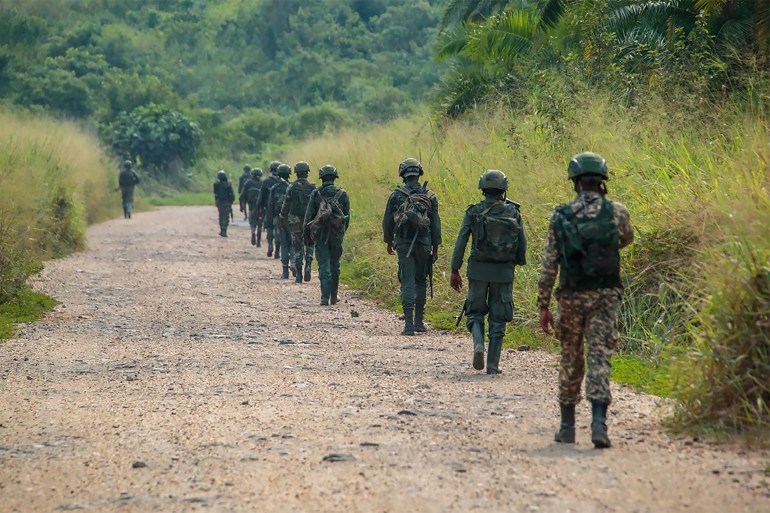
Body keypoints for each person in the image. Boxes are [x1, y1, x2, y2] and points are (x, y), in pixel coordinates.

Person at [538, 152, 633, 449]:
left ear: (575, 182)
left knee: (570, 357)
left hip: (571, 297)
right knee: (599, 356)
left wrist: (543, 303)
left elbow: (549, 263)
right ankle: (598, 424)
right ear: (602, 181)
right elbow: (625, 239)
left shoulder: (561, 215)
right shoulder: (617, 212)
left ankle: (567, 427)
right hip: (605, 296)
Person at [450, 169, 527, 374]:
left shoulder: (473, 212)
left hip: (478, 271)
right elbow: (522, 245)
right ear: (503, 189)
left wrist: (454, 269)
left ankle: (478, 345)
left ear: (483, 188)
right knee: (498, 317)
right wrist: (516, 263)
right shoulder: (513, 213)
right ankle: (493, 365)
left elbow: (461, 241)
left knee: (474, 312)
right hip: (503, 272)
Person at [382, 158, 442, 336]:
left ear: (403, 174)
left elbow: (387, 222)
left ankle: (408, 324)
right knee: (421, 280)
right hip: (424, 244)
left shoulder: (396, 195)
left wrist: (389, 241)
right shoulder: (430, 196)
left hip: (403, 243)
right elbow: (436, 225)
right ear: (419, 174)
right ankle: (419, 322)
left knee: (407, 280)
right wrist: (436, 248)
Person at [303, 165, 350, 306]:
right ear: (335, 178)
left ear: (321, 178)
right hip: (337, 235)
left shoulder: (316, 194)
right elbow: (347, 217)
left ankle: (324, 298)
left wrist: (307, 236)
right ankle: (334, 296)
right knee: (335, 264)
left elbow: (309, 216)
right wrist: (341, 233)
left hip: (320, 234)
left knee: (324, 265)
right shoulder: (342, 194)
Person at [279, 161, 316, 283]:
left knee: (297, 246)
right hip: (310, 221)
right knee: (310, 244)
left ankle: (299, 274)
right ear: (307, 172)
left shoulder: (291, 187)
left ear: (296, 173)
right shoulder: (313, 188)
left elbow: (286, 204)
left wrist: (282, 216)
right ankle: (309, 264)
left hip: (295, 221)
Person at [267, 164, 293, 278]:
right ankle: (293, 263)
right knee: (293, 242)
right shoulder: (293, 186)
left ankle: (285, 271)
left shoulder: (274, 188)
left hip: (279, 218)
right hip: (292, 219)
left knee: (284, 243)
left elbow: (270, 206)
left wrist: (270, 221)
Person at [257, 161, 282, 257]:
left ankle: (270, 245)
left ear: (271, 170)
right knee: (279, 230)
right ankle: (277, 251)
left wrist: (258, 209)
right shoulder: (284, 183)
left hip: (268, 210)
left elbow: (260, 197)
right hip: (280, 210)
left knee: (269, 229)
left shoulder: (266, 182)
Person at [241, 167, 264, 247]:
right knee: (260, 224)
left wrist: (242, 206)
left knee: (252, 222)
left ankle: (253, 232)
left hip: (251, 207)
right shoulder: (262, 183)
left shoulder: (248, 183)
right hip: (261, 208)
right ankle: (258, 241)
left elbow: (243, 195)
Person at [213, 169, 235, 237]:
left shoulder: (216, 184)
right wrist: (231, 201)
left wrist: (216, 201)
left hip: (220, 202)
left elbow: (215, 194)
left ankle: (222, 230)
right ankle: (224, 231)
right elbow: (232, 194)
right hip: (227, 202)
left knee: (221, 216)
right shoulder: (228, 184)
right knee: (226, 217)